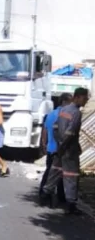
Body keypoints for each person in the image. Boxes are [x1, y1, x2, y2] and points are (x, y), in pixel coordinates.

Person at [40, 87, 89, 215]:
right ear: (77, 97)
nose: (87, 100)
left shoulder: (63, 110)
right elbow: (70, 132)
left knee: (55, 172)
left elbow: (55, 127)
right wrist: (63, 147)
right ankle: (71, 205)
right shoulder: (76, 113)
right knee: (71, 177)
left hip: (59, 148)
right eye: (85, 97)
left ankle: (45, 194)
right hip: (69, 150)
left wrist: (58, 144)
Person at [38, 93, 73, 199]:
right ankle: (59, 196)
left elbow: (45, 130)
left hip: (51, 148)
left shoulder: (51, 114)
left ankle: (43, 193)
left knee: (50, 171)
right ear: (64, 102)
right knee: (61, 173)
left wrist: (44, 144)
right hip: (60, 149)